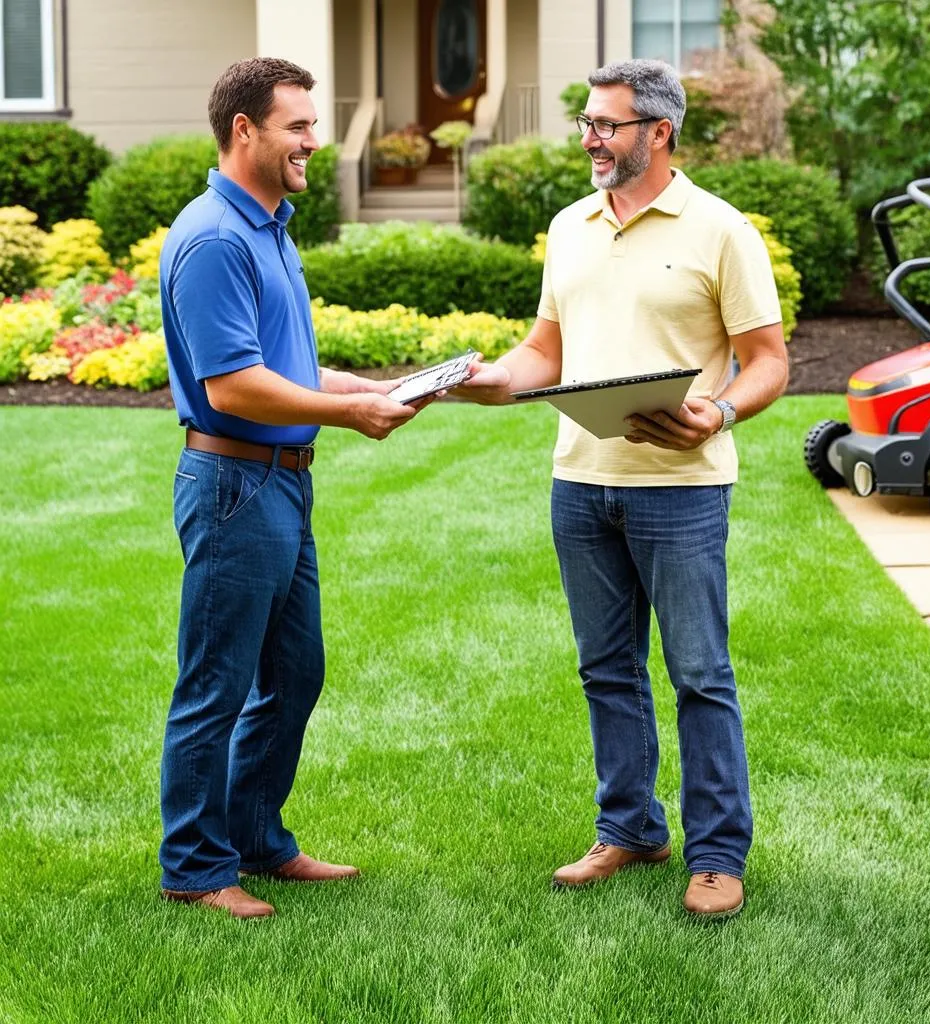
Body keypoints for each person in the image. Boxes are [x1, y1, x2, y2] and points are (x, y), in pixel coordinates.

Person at [457, 59, 788, 918]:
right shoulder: (570, 227)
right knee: (607, 670)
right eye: (587, 125)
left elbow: (770, 364)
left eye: (607, 125)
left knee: (700, 673)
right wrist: (484, 379)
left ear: (660, 133)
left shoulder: (721, 231)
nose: (591, 140)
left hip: (681, 491)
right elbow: (547, 351)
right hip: (581, 482)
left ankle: (717, 854)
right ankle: (631, 829)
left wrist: (715, 413)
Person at [158, 58, 436, 919]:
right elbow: (236, 385)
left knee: (294, 671)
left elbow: (285, 365)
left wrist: (358, 389)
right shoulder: (213, 238)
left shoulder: (268, 228)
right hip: (235, 484)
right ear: (245, 130)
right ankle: (195, 867)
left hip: (281, 485)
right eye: (298, 126)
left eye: (314, 125)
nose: (315, 140)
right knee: (217, 682)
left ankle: (257, 841)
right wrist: (352, 419)